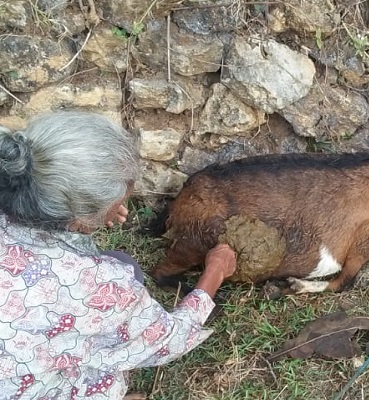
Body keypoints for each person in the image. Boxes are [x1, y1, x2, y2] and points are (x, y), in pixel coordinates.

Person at [0, 112, 237, 399]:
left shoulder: (15, 182)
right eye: (120, 202)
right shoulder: (98, 286)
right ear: (83, 217)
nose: (122, 206)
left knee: (125, 264)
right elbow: (169, 339)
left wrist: (91, 219)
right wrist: (215, 272)